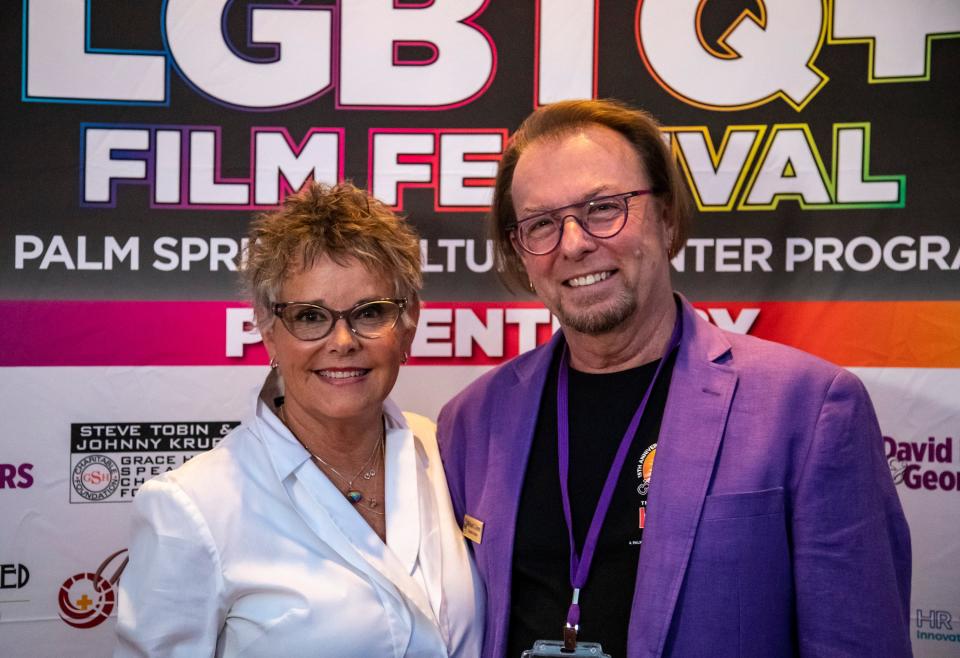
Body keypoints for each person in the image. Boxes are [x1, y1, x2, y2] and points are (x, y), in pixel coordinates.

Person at [437, 100, 912, 657]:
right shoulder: (471, 421)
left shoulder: (809, 409)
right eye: (541, 223)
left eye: (603, 208)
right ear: (521, 252)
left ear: (666, 217)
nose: (573, 244)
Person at [115, 182, 484, 657]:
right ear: (269, 331)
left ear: (408, 321)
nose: (344, 341)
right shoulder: (193, 506)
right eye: (310, 317)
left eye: (370, 312)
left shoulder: (443, 450)